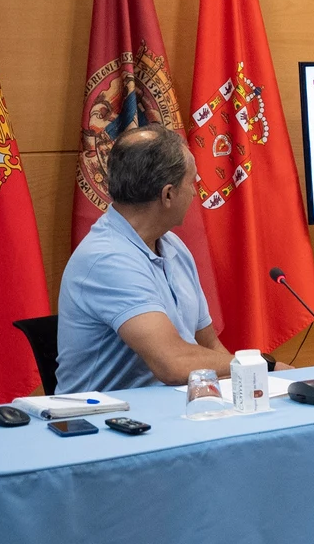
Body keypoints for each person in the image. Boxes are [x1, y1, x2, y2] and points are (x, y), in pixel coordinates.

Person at [58, 125, 231, 392]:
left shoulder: (173, 246)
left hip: (172, 412)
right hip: (105, 423)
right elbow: (172, 364)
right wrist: (259, 364)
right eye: (192, 182)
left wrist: (257, 379)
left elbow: (209, 346)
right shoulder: (107, 259)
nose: (195, 193)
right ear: (168, 194)